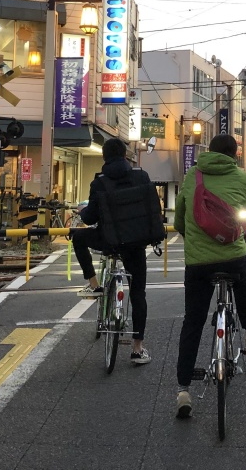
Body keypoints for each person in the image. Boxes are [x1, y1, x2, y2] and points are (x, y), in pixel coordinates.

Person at [174, 134, 246, 419]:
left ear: (208, 152)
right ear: (234, 154)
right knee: (241, 274)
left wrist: (191, 237)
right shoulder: (241, 177)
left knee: (193, 320)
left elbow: (179, 219)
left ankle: (183, 390)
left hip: (198, 264)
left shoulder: (193, 175)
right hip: (232, 256)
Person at [71, 138, 157, 365]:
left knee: (77, 236)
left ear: (104, 158)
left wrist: (83, 211)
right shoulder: (142, 176)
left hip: (108, 241)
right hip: (136, 244)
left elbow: (90, 217)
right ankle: (138, 348)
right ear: (126, 155)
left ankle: (93, 283)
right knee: (138, 294)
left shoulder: (99, 182)